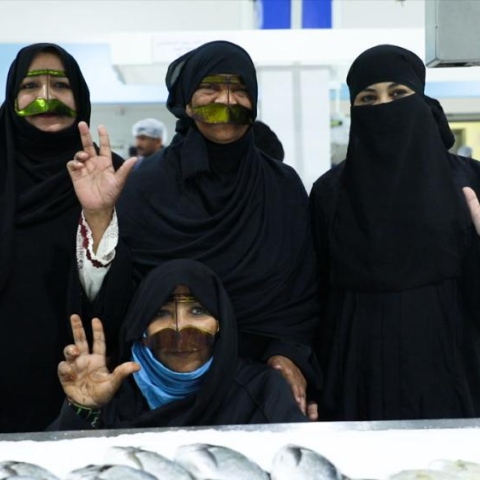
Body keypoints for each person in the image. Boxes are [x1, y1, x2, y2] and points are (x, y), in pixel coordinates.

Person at [68, 40, 321, 420]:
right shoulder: (146, 184)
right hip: (156, 381)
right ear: (186, 101)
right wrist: (100, 216)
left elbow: (301, 290)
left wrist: (289, 355)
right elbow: (117, 296)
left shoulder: (280, 185)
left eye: (239, 89)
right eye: (211, 88)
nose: (227, 100)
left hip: (253, 386)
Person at [310, 44, 480, 422]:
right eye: (368, 98)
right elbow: (317, 289)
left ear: (421, 99)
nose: (383, 106)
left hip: (452, 355)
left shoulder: (469, 181)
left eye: (398, 94)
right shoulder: (330, 192)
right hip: (356, 363)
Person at [0, 43, 131, 433]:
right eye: (30, 86)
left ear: (80, 96)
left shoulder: (114, 176)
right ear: (12, 96)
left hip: (85, 380)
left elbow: (133, 283)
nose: (45, 98)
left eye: (60, 85)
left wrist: (99, 214)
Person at [51, 259, 309, 429]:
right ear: (140, 325)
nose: (179, 332)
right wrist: (82, 409)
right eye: (160, 313)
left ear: (222, 323)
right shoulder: (111, 390)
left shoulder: (262, 390)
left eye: (197, 312)